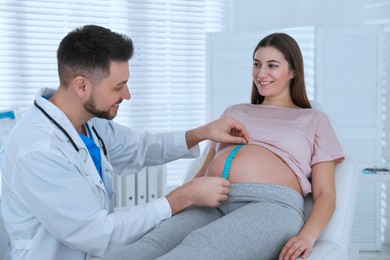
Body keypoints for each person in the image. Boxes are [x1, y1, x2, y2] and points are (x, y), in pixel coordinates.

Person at [0, 25, 250, 260]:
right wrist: (181, 198)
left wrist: (203, 132)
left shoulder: (89, 121)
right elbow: (97, 232)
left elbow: (141, 147)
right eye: (118, 86)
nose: (127, 95)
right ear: (81, 85)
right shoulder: (36, 150)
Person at [102, 32, 345, 260]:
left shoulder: (313, 119)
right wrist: (182, 201)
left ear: (293, 71)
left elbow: (325, 194)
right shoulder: (234, 111)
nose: (261, 73)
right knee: (147, 246)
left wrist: (307, 236)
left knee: (198, 249)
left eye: (272, 65)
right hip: (211, 200)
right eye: (256, 64)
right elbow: (206, 167)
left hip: (270, 204)